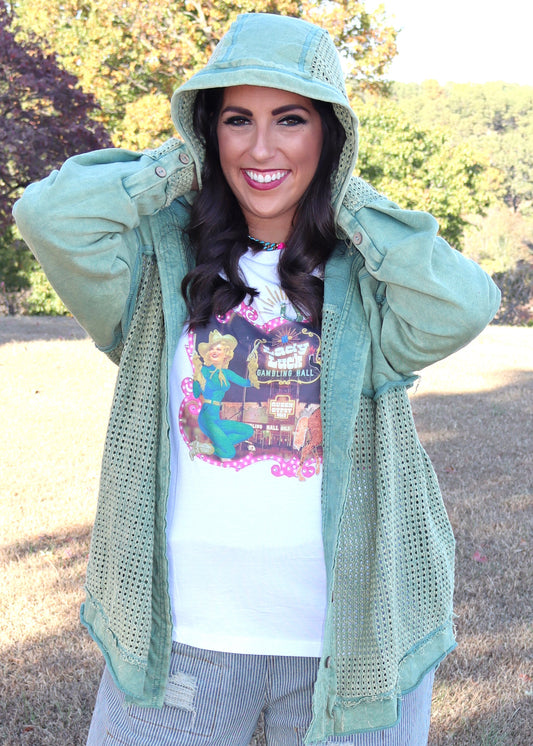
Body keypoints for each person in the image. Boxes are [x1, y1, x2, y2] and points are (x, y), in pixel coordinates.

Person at [13, 12, 500, 746]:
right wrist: (185, 162)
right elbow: (47, 215)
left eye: (291, 120)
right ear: (209, 131)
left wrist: (341, 194)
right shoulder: (157, 261)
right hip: (183, 638)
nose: (262, 147)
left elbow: (465, 302)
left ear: (330, 134)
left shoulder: (368, 276)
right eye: (237, 119)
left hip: (350, 644)